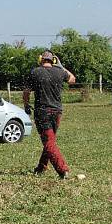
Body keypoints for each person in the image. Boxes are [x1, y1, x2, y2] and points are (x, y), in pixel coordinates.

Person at [22, 50, 76, 178]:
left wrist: (26, 105)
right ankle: (41, 168)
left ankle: (63, 169)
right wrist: (62, 67)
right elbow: (72, 79)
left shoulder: (34, 72)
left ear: (41, 59)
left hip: (42, 112)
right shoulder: (60, 72)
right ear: (54, 61)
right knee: (50, 140)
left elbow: (26, 91)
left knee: (49, 142)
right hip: (57, 112)